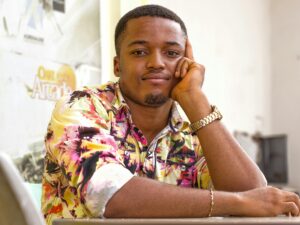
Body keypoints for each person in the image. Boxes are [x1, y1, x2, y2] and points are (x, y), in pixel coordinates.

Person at [41, 4, 300, 225]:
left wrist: (195, 100)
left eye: (172, 53)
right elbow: (112, 196)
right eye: (140, 52)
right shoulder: (81, 107)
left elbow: (254, 194)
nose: (157, 62)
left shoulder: (193, 133)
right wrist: (237, 203)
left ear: (186, 64)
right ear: (117, 65)